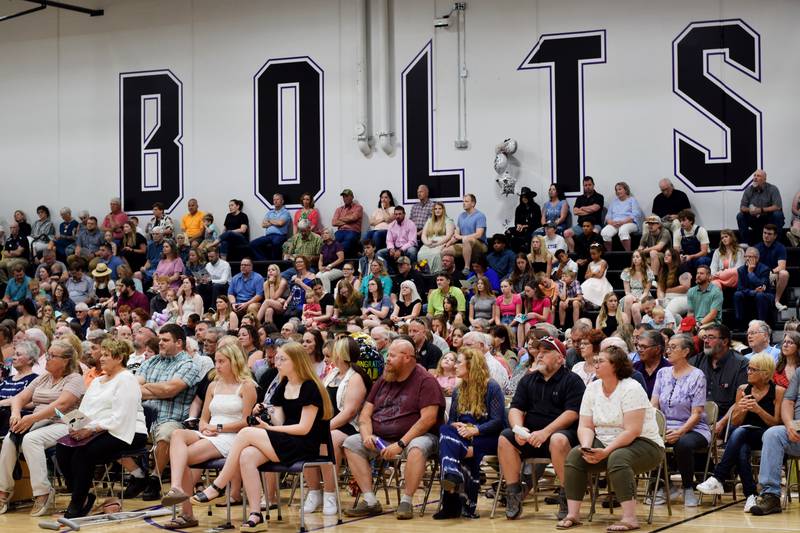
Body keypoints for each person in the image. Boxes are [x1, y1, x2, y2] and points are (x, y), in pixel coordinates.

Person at [190, 342, 333, 532]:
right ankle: (256, 515)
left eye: (283, 359)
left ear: (296, 361)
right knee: (247, 456)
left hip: (306, 444)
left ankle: (217, 486)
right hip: (287, 440)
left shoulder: (310, 387)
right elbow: (280, 423)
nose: (277, 361)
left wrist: (268, 429)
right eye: (278, 358)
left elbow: (304, 429)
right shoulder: (283, 385)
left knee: (246, 432)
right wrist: (265, 411)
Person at [559, 345, 664, 531]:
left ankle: (630, 518)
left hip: (644, 444)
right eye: (596, 361)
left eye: (601, 361)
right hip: (605, 441)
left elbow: (632, 431)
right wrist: (586, 448)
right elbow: (585, 425)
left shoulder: (631, 388)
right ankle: (573, 514)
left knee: (618, 458)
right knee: (575, 455)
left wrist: (606, 451)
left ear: (615, 365)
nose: (596, 364)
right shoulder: (592, 388)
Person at [342, 338, 445, 519]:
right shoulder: (383, 379)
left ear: (407, 358)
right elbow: (365, 414)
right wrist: (367, 436)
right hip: (381, 438)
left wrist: (401, 443)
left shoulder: (425, 381)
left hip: (416, 436)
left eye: (391, 355)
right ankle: (370, 501)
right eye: (387, 355)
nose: (387, 359)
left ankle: (406, 501)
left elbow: (428, 420)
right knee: (351, 442)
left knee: (417, 447)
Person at [160, 342, 257, 528]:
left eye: (221, 361)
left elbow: (247, 422)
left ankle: (187, 513)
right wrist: (205, 427)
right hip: (210, 432)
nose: (217, 365)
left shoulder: (247, 386)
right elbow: (204, 418)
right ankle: (176, 487)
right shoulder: (213, 385)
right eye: (216, 361)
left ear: (234, 362)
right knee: (178, 434)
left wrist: (218, 428)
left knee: (183, 458)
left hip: (232, 436)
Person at [54, 339, 148, 518]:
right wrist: (75, 425)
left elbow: (120, 417)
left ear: (119, 358)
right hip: (98, 429)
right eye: (102, 354)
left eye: (106, 355)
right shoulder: (97, 381)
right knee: (63, 448)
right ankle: (83, 494)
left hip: (127, 431)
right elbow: (85, 410)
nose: (101, 358)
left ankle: (77, 503)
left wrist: (90, 430)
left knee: (84, 453)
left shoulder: (127, 379)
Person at [498, 336, 586, 520]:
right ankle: (514, 493)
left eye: (546, 352)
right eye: (538, 351)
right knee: (505, 438)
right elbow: (515, 408)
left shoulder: (572, 380)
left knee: (558, 439)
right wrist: (519, 430)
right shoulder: (528, 380)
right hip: (532, 436)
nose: (539, 356)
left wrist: (546, 432)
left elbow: (572, 413)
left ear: (560, 358)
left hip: (563, 436)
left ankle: (566, 495)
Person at [0, 340, 84, 516]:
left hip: (68, 422)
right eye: (48, 354)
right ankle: (4, 491)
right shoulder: (43, 377)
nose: (47, 359)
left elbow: (62, 405)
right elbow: (19, 398)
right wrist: (16, 414)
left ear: (66, 360)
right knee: (9, 439)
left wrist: (31, 418)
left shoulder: (75, 378)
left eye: (52, 356)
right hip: (39, 421)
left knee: (31, 440)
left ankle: (43, 492)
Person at [696, 352, 785, 512]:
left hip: (766, 436)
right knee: (741, 447)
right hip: (742, 436)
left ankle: (718, 477)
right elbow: (736, 422)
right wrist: (742, 409)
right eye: (748, 369)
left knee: (740, 433)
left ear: (765, 373)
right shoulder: (743, 389)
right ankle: (751, 496)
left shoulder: (778, 391)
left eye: (752, 369)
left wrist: (758, 410)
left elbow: (776, 423)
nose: (748, 372)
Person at [435, 347, 506, 519]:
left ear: (471, 365)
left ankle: (451, 503)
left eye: (459, 362)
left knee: (456, 448)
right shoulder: (459, 390)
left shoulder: (491, 387)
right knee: (445, 430)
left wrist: (475, 430)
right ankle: (453, 478)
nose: (455, 366)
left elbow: (497, 422)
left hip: (488, 436)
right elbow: (452, 420)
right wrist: (457, 424)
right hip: (463, 436)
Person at [304, 337, 370, 516]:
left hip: (349, 427)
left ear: (341, 354)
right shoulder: (332, 374)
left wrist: (324, 428)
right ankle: (314, 491)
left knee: (327, 439)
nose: (329, 355)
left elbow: (349, 412)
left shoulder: (356, 378)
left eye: (333, 352)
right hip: (329, 423)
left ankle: (330, 494)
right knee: (305, 436)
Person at [135, 324, 203, 500]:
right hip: (142, 416)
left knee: (167, 434)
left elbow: (171, 390)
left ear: (179, 342)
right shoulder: (151, 361)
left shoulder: (189, 365)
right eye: (160, 339)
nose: (160, 343)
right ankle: (136, 475)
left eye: (165, 340)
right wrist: (158, 389)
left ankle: (155, 479)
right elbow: (134, 387)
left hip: (172, 418)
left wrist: (147, 387)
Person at [650, 333, 710, 506]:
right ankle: (661, 486)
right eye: (668, 347)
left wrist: (680, 431)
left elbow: (697, 413)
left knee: (682, 443)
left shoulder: (697, 376)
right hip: (665, 426)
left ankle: (688, 488)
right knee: (651, 440)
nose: (668, 350)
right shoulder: (662, 373)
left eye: (673, 347)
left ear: (685, 352)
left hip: (694, 428)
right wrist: (656, 427)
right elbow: (654, 404)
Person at [691, 324, 748, 435]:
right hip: (696, 415)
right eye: (705, 337)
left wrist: (722, 423)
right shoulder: (696, 361)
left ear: (725, 342)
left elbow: (740, 401)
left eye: (711, 337)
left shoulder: (741, 364)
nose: (706, 341)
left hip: (726, 418)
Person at [0, 341, 40, 435]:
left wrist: (5, 403)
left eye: (18, 355)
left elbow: (32, 403)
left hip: (14, 420)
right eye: (14, 354)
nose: (13, 358)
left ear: (30, 360)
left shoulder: (35, 379)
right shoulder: (7, 379)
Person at [736, 169, 784, 246]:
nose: (755, 178)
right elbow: (742, 207)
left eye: (758, 176)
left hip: (768, 218)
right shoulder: (749, 190)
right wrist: (751, 210)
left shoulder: (772, 189)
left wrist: (760, 210)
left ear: (764, 179)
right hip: (754, 219)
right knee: (740, 216)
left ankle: (777, 243)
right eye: (754, 176)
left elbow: (777, 206)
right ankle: (745, 243)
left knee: (778, 215)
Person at [445, 194, 488, 277]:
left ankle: (467, 267)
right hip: (465, 244)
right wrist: (448, 243)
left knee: (467, 240)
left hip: (480, 244)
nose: (464, 203)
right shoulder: (461, 216)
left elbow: (479, 234)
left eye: (466, 201)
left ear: (473, 203)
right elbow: (456, 233)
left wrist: (462, 237)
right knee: (445, 251)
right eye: (463, 201)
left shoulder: (480, 216)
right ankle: (448, 271)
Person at [734, 247, 773, 326]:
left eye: (750, 257)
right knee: (737, 294)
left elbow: (762, 286)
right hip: (750, 293)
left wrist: (750, 273)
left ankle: (762, 323)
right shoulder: (741, 270)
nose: (747, 259)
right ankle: (740, 324)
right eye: (746, 256)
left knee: (760, 295)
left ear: (757, 258)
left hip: (765, 294)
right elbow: (740, 288)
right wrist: (753, 292)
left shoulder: (764, 269)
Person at [601, 181, 644, 252]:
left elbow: (636, 214)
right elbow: (608, 216)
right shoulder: (614, 202)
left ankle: (628, 254)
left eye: (620, 189)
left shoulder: (632, 200)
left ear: (626, 190)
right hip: (615, 223)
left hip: (629, 223)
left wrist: (623, 222)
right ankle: (609, 254)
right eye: (616, 190)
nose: (617, 191)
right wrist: (611, 222)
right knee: (605, 232)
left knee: (623, 230)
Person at [755, 224, 790, 312]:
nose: (766, 235)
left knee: (784, 273)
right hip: (761, 275)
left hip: (774, 275)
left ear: (775, 236)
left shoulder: (780, 247)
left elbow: (782, 266)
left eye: (769, 234)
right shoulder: (756, 247)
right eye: (764, 233)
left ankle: (776, 301)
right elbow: (753, 266)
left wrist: (770, 272)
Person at [564, 176, 604, 252]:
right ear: (583, 186)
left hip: (595, 224)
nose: (588, 187)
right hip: (581, 225)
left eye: (589, 185)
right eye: (585, 185)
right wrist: (589, 210)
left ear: (593, 185)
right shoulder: (580, 198)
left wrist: (582, 208)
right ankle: (573, 255)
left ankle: (592, 255)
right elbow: (575, 211)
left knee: (594, 233)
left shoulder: (599, 197)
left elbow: (595, 208)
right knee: (566, 233)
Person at [250, 193, 292, 261]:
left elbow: (280, 223)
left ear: (282, 201)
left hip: (280, 235)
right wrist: (275, 222)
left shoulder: (285, 212)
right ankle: (264, 261)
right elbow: (263, 225)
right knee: (253, 244)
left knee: (276, 243)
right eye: (274, 200)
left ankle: (275, 262)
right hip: (268, 236)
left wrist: (269, 220)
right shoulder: (270, 212)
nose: (275, 201)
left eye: (277, 199)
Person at [378, 206, 419, 273]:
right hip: (395, 248)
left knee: (412, 251)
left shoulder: (411, 224)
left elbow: (412, 242)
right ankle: (389, 271)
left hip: (407, 248)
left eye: (400, 214)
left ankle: (412, 271)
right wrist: (391, 248)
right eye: (396, 214)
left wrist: (401, 250)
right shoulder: (391, 225)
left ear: (404, 214)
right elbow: (389, 240)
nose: (398, 216)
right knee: (379, 253)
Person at [418, 202, 455, 275]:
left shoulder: (448, 220)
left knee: (436, 253)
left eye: (439, 209)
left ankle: (436, 274)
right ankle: (424, 273)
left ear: (443, 210)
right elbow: (424, 234)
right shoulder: (429, 220)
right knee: (420, 253)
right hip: (429, 243)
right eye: (435, 209)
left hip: (441, 242)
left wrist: (437, 244)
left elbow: (449, 236)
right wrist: (426, 243)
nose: (437, 210)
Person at [632, 330, 670, 398]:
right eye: (638, 346)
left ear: (657, 349)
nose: (639, 350)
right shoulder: (634, 368)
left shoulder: (669, 370)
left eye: (644, 347)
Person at [621, 250, 654, 325]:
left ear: (642, 259)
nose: (635, 259)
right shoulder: (627, 272)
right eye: (633, 257)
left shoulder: (648, 272)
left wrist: (639, 300)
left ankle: (638, 329)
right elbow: (627, 291)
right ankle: (627, 327)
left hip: (644, 297)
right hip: (631, 295)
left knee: (634, 307)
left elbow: (646, 292)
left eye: (637, 257)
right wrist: (633, 297)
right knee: (628, 298)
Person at [673, 209, 711, 275]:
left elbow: (704, 252)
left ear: (691, 221)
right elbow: (676, 251)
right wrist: (680, 257)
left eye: (684, 220)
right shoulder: (677, 233)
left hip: (702, 257)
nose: (681, 223)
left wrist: (691, 256)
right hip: (688, 258)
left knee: (701, 261)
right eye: (680, 221)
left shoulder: (701, 230)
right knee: (679, 263)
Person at [657, 248, 691, 318]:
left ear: (674, 257)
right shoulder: (663, 270)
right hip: (667, 298)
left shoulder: (682, 268)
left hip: (682, 297)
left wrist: (668, 290)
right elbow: (660, 288)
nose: (665, 256)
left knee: (667, 313)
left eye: (669, 255)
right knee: (654, 306)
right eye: (665, 255)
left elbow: (686, 287)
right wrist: (661, 300)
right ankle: (678, 321)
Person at [506, 186, 541, 253]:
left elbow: (537, 223)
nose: (524, 199)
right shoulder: (519, 208)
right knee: (508, 231)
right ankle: (512, 252)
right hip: (521, 228)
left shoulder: (536, 207)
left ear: (530, 197)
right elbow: (516, 221)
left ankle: (528, 252)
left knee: (528, 235)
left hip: (531, 228)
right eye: (522, 197)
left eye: (526, 197)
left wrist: (526, 226)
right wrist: (518, 225)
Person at [637, 215, 672, 279]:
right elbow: (640, 248)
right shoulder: (646, 234)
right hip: (652, 256)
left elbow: (659, 247)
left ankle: (653, 278)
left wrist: (644, 250)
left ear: (659, 224)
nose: (650, 226)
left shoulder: (665, 232)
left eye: (652, 224)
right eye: (649, 224)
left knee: (653, 252)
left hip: (666, 255)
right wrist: (640, 250)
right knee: (638, 256)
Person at [332, 188, 365, 256]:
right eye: (344, 197)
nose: (345, 198)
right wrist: (348, 220)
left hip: (353, 231)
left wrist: (340, 219)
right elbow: (334, 222)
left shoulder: (358, 207)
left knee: (346, 243)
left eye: (347, 196)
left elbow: (353, 217)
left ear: (352, 197)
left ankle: (341, 259)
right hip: (340, 231)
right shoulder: (339, 209)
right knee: (333, 242)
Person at [580, 243, 614, 308]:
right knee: (586, 286)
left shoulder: (603, 262)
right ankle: (588, 303)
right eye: (591, 254)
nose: (592, 256)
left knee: (593, 286)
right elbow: (586, 276)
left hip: (601, 281)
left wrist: (592, 273)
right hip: (590, 281)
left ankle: (594, 303)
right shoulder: (590, 264)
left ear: (600, 253)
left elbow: (600, 275)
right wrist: (594, 273)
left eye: (594, 254)